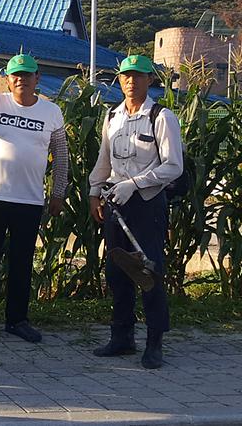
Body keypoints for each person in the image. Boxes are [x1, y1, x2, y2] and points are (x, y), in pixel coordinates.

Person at [0, 54, 68, 344]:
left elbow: (61, 154)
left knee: (22, 262)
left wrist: (58, 192)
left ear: (37, 79)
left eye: (27, 75)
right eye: (15, 75)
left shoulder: (51, 112)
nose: (21, 79)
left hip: (30, 199)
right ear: (7, 80)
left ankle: (17, 320)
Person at [88, 55, 183, 369]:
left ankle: (154, 341)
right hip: (116, 200)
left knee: (149, 271)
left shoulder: (160, 116)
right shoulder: (112, 115)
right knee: (117, 271)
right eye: (126, 76)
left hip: (146, 203)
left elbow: (173, 166)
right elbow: (104, 159)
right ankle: (122, 336)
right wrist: (94, 192)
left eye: (138, 76)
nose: (131, 82)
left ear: (149, 80)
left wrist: (136, 184)